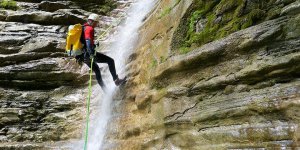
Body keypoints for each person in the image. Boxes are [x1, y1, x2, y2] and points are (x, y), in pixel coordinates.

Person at [76, 13, 126, 90]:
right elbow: (88, 41)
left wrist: (94, 45)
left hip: (82, 57)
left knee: (96, 70)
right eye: (96, 23)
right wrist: (91, 53)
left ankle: (105, 90)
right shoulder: (89, 29)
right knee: (110, 61)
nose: (96, 25)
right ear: (93, 21)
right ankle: (116, 80)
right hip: (88, 54)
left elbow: (85, 42)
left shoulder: (83, 28)